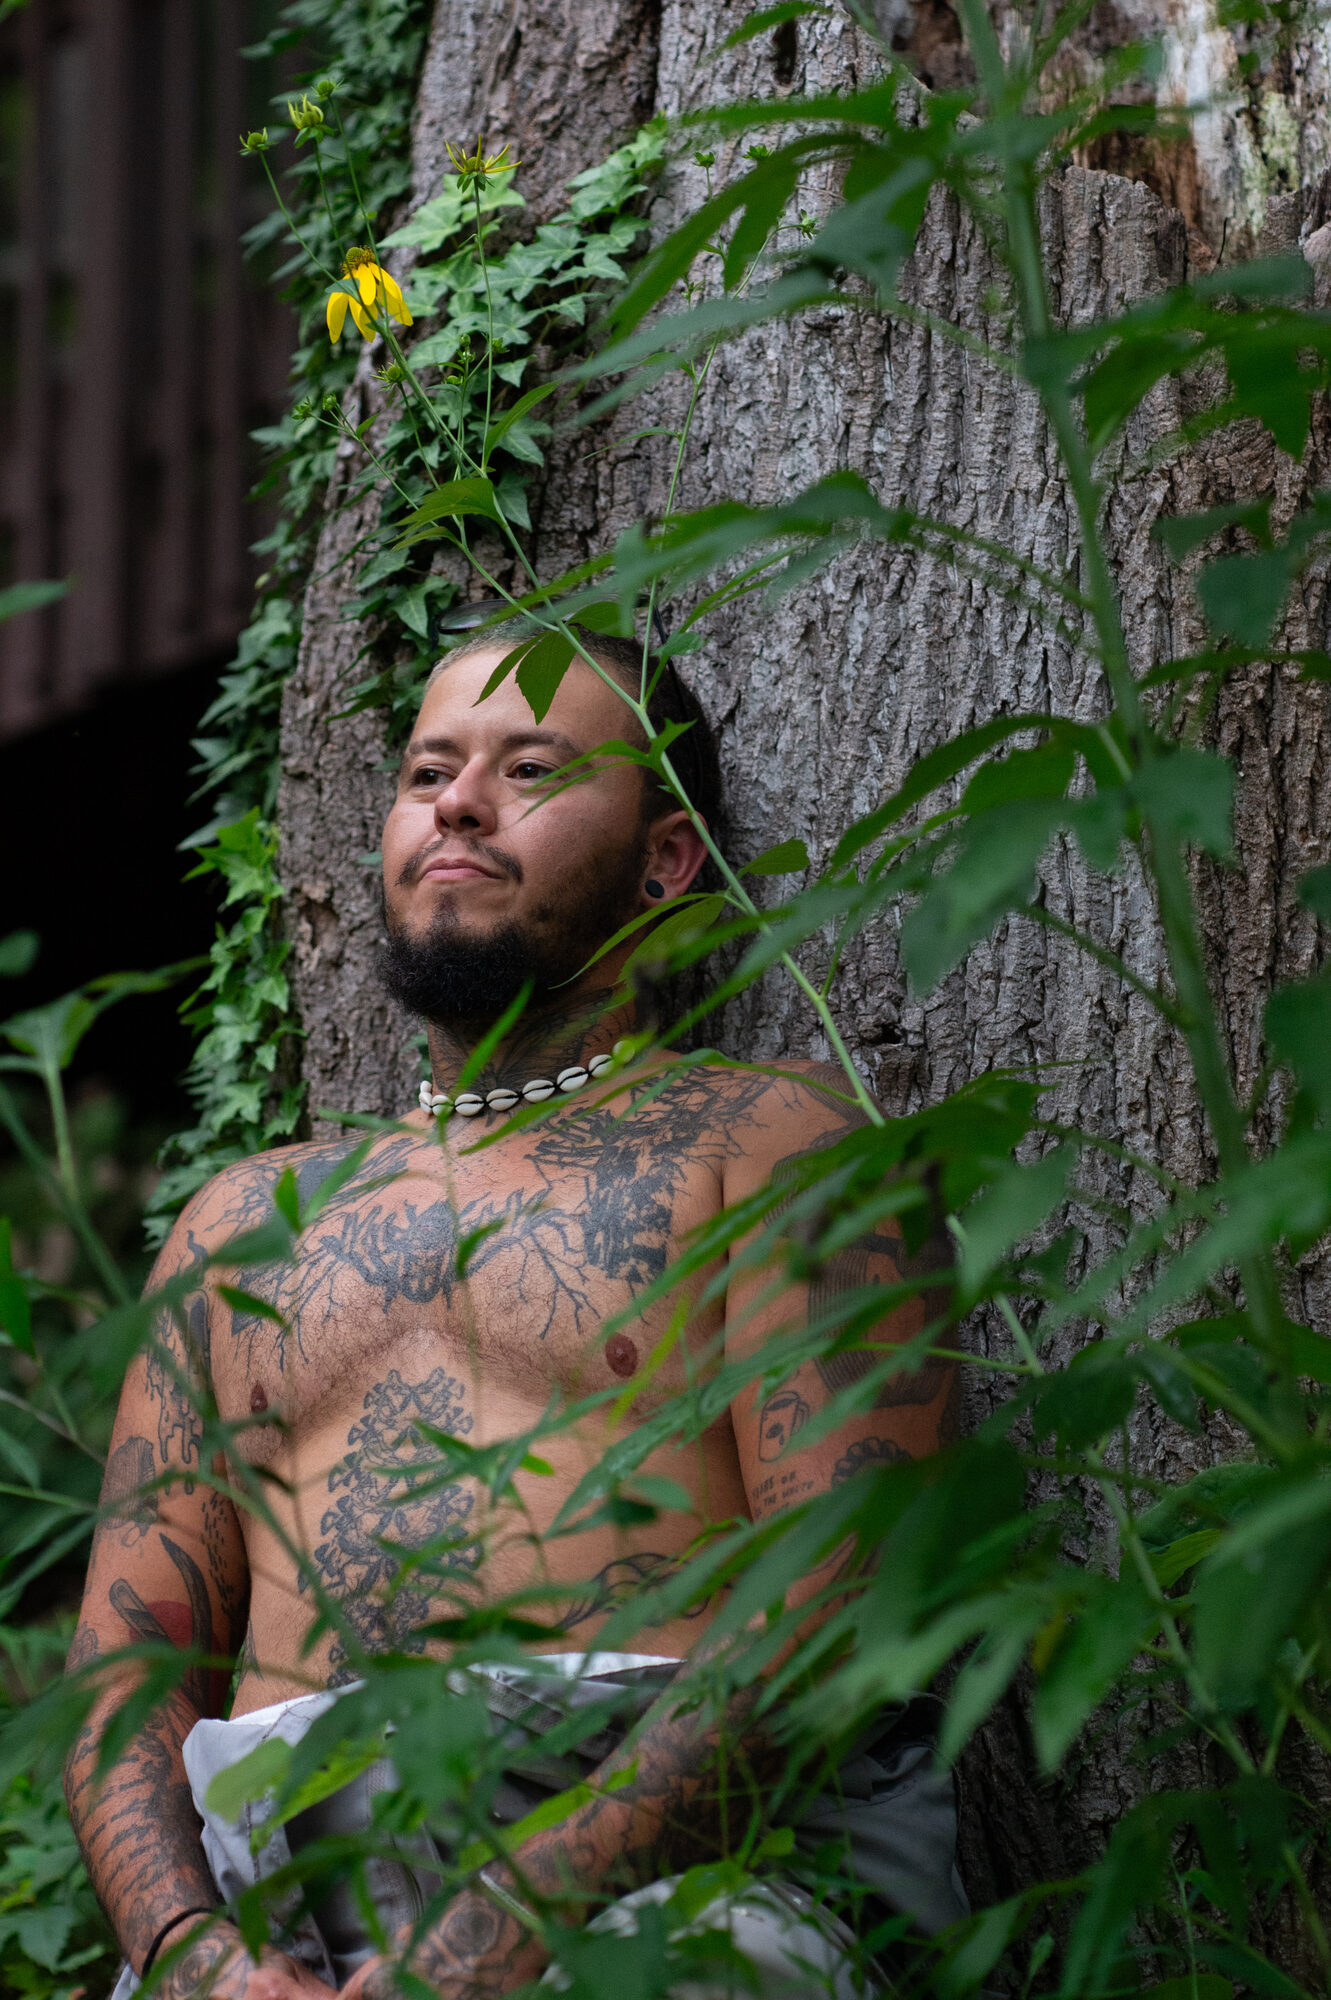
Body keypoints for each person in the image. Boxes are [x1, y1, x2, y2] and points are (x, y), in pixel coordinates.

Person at [63, 625, 965, 2000]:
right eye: (429, 769)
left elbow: (830, 1609)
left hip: (685, 1887)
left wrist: (509, 1923)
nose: (458, 803)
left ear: (665, 863)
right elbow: (125, 1671)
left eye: (531, 767)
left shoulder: (771, 1140)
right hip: (271, 1925)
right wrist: (188, 1957)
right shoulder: (241, 1224)